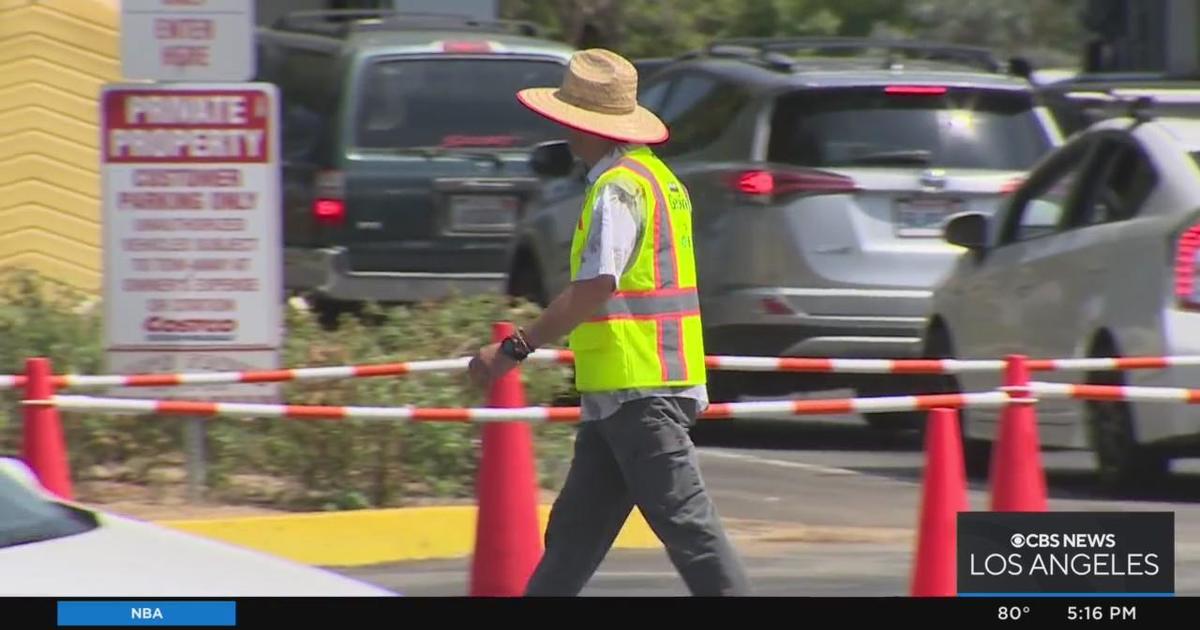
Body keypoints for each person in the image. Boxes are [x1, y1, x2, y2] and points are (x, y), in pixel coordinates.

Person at [467, 48, 750, 597]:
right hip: (627, 393)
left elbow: (597, 287)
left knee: (691, 532)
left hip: (641, 391)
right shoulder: (657, 178)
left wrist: (513, 349)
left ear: (581, 125)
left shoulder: (615, 189)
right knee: (574, 536)